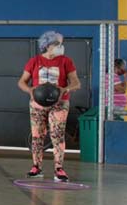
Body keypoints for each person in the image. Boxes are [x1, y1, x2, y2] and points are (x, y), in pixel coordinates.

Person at [17, 30, 81, 182]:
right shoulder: (34, 61)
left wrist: (64, 89)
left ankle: (59, 169)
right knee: (37, 135)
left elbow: (76, 83)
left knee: (57, 135)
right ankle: (36, 167)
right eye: (58, 44)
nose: (61, 46)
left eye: (61, 44)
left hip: (60, 103)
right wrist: (30, 90)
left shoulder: (66, 61)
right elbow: (21, 82)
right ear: (48, 45)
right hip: (37, 104)